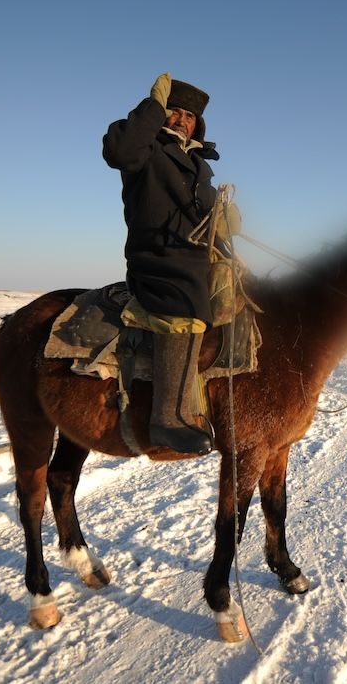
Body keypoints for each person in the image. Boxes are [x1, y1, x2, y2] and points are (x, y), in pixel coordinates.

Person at [102, 73, 218, 455]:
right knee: (184, 297)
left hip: (195, 256)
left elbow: (208, 217)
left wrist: (225, 221)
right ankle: (168, 418)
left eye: (189, 115)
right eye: (175, 110)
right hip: (157, 257)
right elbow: (118, 151)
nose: (182, 119)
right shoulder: (146, 149)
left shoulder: (199, 165)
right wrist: (152, 107)